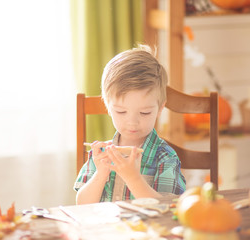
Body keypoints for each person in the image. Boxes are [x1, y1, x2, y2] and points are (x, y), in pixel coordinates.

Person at [74, 45, 186, 204]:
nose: (132, 122)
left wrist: (133, 178)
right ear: (108, 107)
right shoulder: (100, 153)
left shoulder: (165, 157)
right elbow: (82, 205)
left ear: (160, 108)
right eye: (121, 112)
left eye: (144, 113)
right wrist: (101, 174)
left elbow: (168, 208)